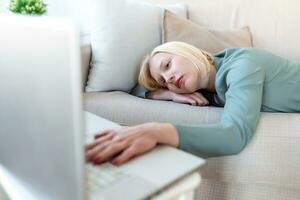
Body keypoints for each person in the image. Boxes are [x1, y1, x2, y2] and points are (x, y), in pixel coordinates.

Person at [85, 41, 300, 166]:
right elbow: (137, 89)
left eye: (168, 65)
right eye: (163, 81)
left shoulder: (242, 67)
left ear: (187, 51)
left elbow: (235, 134)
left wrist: (157, 131)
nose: (168, 78)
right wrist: (166, 94)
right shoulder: (208, 89)